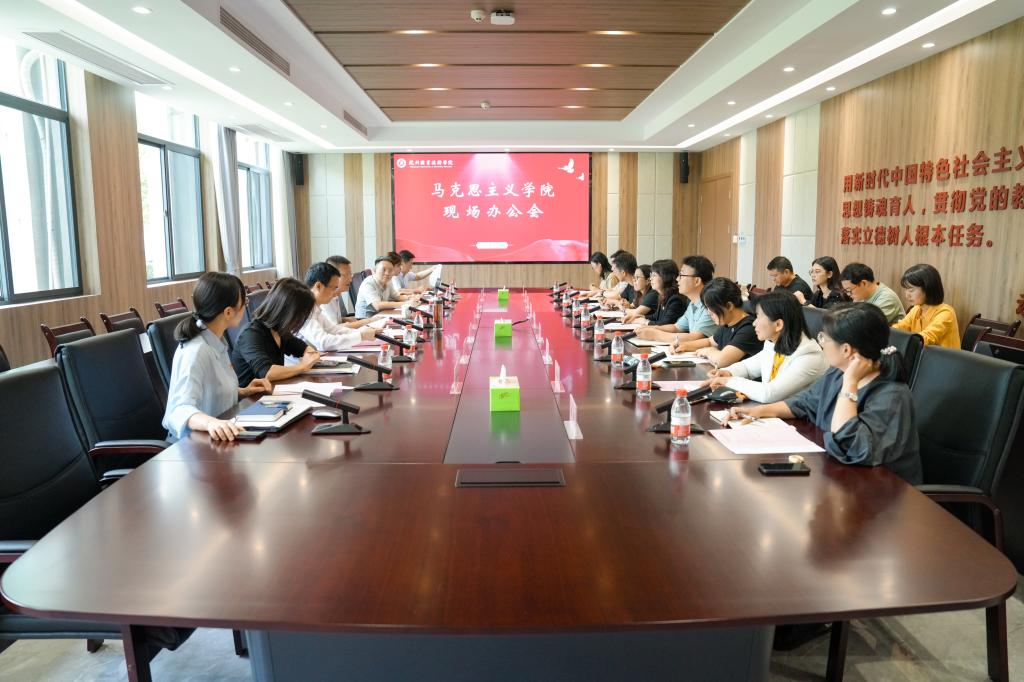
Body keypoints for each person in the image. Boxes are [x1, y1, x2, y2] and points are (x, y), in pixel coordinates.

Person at [728, 302, 922, 484]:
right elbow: (804, 403)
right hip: (837, 477)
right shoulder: (837, 373)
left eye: (824, 338)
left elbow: (851, 446)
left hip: (878, 492)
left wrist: (850, 384)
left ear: (846, 350)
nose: (820, 343)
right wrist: (759, 411)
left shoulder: (892, 396)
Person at [162, 272, 272, 442]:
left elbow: (211, 393)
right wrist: (211, 423)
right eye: (244, 303)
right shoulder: (195, 351)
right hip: (191, 445)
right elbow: (179, 410)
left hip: (218, 437)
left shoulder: (216, 340)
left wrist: (243, 392)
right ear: (228, 312)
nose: (246, 308)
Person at [706, 291, 827, 403]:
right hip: (772, 412)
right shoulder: (773, 342)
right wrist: (727, 372)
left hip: (798, 418)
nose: (754, 323)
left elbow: (769, 393)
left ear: (778, 324)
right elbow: (747, 367)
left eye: (758, 317)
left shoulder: (809, 355)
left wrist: (729, 381)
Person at [231, 278, 321, 386]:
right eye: (301, 315)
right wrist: (303, 366)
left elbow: (305, 349)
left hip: (273, 392)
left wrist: (310, 356)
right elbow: (267, 373)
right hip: (253, 395)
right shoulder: (250, 334)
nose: (302, 320)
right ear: (287, 311)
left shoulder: (279, 331)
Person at [636, 255, 717, 345]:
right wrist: (651, 328)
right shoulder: (693, 304)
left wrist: (655, 335)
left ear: (697, 281)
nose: (677, 279)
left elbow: (696, 337)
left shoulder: (710, 305)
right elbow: (677, 327)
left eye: (681, 275)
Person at [298, 262, 377, 351]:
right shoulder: (304, 310)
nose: (336, 293)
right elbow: (324, 343)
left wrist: (363, 332)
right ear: (319, 286)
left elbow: (334, 330)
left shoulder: (315, 308)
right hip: (305, 359)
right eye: (334, 288)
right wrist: (361, 335)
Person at [682, 278, 762, 364]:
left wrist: (708, 351)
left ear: (729, 306)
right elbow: (710, 342)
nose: (709, 313)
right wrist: (684, 345)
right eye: (707, 307)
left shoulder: (749, 328)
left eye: (711, 307)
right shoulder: (728, 323)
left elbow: (722, 360)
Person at [892, 263, 960, 348]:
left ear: (928, 288)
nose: (907, 295)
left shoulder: (946, 313)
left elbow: (926, 338)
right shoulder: (916, 309)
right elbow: (900, 327)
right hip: (923, 355)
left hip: (943, 356)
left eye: (911, 290)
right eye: (906, 289)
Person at [839, 262, 905, 323]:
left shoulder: (887, 298)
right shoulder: (861, 296)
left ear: (863, 283)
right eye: (846, 291)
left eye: (849, 290)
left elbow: (867, 325)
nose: (848, 294)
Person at [643, 259, 688, 326]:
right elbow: (656, 316)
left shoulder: (676, 299)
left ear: (666, 277)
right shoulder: (663, 295)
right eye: (651, 275)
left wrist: (645, 322)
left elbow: (666, 323)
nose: (650, 278)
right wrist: (641, 317)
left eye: (654, 275)